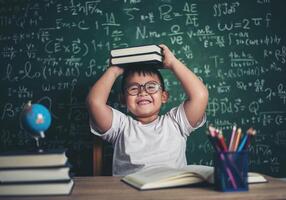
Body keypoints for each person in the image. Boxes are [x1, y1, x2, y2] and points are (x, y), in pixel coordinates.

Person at [87, 44, 209, 176]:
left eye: (151, 87)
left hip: (171, 191)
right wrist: (114, 70)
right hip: (129, 192)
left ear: (163, 96)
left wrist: (173, 63)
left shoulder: (176, 123)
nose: (143, 92)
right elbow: (95, 103)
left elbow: (200, 96)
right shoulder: (120, 126)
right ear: (123, 99)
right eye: (133, 88)